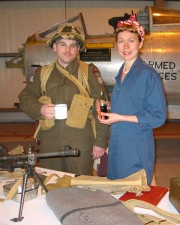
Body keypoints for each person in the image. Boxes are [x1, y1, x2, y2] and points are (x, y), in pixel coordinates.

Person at [18, 23, 109, 176]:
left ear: (78, 49)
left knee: (79, 188)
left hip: (80, 144)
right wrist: (40, 108)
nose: (68, 50)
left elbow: (103, 106)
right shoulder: (43, 73)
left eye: (73, 45)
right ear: (54, 47)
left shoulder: (89, 73)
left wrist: (100, 142)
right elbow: (24, 97)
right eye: (63, 45)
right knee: (51, 185)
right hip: (50, 143)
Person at [97, 14, 167, 185]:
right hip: (117, 144)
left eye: (131, 40)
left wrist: (119, 117)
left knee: (134, 194)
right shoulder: (121, 73)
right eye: (121, 41)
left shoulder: (148, 75)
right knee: (118, 191)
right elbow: (133, 103)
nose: (126, 46)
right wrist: (109, 106)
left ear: (141, 43)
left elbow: (158, 116)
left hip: (136, 148)